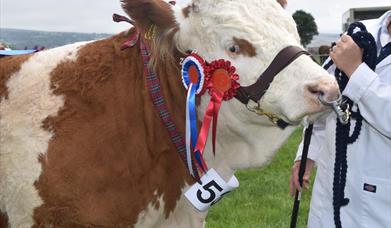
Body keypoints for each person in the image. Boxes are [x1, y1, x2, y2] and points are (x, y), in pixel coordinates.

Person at [290, 10, 391, 228]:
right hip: (329, 186)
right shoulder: (361, 30)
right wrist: (307, 154)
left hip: (380, 203)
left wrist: (356, 71)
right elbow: (331, 95)